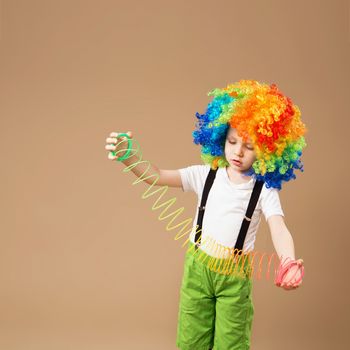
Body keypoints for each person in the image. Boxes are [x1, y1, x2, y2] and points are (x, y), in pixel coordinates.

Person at [105, 79, 307, 350]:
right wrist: (130, 158)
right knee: (191, 341)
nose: (238, 151)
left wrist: (288, 261)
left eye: (249, 146)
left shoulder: (264, 190)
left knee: (231, 344)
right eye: (233, 141)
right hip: (197, 269)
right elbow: (156, 176)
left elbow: (278, 227)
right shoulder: (204, 175)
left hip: (234, 278)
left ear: (268, 149)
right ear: (221, 137)